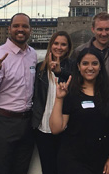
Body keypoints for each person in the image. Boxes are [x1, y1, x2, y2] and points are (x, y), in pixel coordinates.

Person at [0, 13, 38, 174]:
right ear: (9, 29)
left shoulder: (33, 55)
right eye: (16, 26)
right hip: (1, 122)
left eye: (25, 26)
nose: (21, 29)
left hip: (26, 123)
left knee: (21, 170)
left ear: (30, 30)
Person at [49, 47, 109, 174]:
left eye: (94, 63)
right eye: (85, 63)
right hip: (73, 159)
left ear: (100, 67)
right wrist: (59, 98)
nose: (90, 68)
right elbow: (56, 129)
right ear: (78, 66)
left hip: (101, 158)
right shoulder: (71, 91)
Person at [32, 31, 74, 174]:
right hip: (42, 127)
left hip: (65, 127)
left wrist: (59, 71)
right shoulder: (40, 68)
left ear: (68, 48)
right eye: (56, 43)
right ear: (51, 45)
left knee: (64, 168)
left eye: (63, 44)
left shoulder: (73, 67)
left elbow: (76, 83)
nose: (59, 47)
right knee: (48, 169)